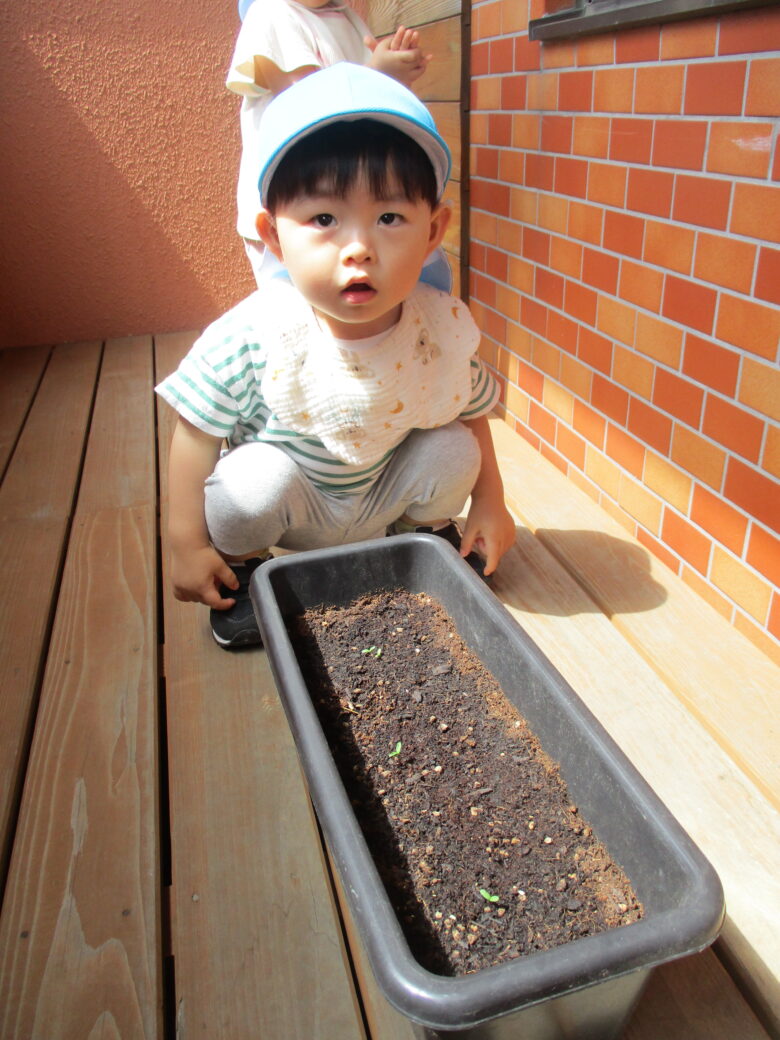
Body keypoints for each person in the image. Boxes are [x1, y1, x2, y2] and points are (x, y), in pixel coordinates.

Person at [157, 64, 515, 649]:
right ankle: (246, 575)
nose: (358, 248)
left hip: (385, 496)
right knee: (250, 482)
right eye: (324, 219)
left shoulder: (437, 328)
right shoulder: (258, 332)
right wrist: (186, 544)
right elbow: (194, 431)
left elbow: (471, 409)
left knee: (453, 446)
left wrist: (492, 501)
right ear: (274, 236)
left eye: (389, 218)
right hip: (294, 508)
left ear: (433, 231)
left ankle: (423, 541)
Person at [226, 0, 431, 287]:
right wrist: (379, 75)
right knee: (296, 314)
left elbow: (365, 109)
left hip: (354, 205)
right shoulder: (271, 13)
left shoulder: (343, 17)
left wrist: (395, 80)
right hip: (298, 213)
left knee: (358, 312)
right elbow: (308, 107)